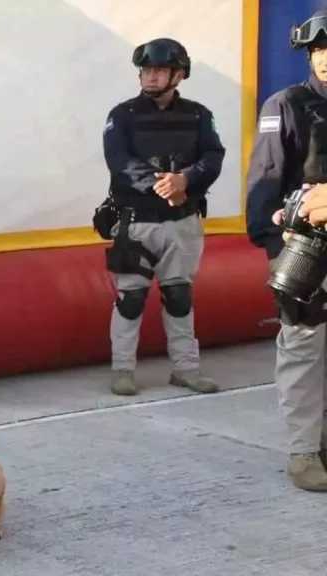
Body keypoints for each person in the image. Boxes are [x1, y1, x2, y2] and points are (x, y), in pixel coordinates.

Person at [98, 38, 225, 396]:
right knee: (131, 297)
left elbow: (213, 156)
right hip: (136, 221)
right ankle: (122, 370)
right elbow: (118, 160)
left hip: (183, 221)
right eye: (146, 71)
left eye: (159, 71)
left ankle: (186, 369)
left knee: (180, 295)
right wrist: (162, 185)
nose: (150, 77)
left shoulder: (199, 115)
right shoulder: (122, 115)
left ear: (178, 75)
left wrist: (187, 180)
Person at [246, 8, 327, 491]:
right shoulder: (288, 105)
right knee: (303, 346)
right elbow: (265, 185)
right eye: (320, 50)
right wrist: (277, 248)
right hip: (308, 250)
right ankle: (303, 451)